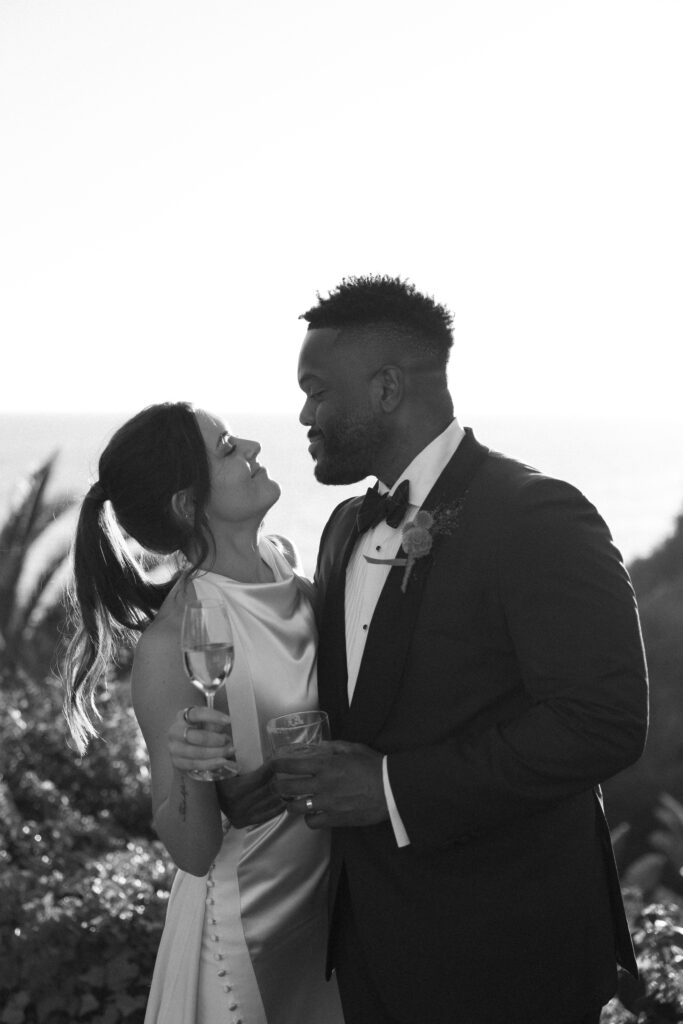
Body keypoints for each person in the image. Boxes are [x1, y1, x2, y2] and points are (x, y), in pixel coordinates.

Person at [275, 275, 649, 1024]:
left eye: (317, 391)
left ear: (385, 389)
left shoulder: (536, 515)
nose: (304, 413)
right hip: (367, 948)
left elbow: (600, 721)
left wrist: (390, 789)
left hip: (508, 956)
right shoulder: (345, 527)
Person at [63, 401, 343, 1024]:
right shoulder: (173, 645)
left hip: (329, 912)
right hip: (250, 930)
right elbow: (192, 851)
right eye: (224, 448)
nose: (249, 444)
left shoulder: (283, 563)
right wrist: (191, 767)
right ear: (189, 506)